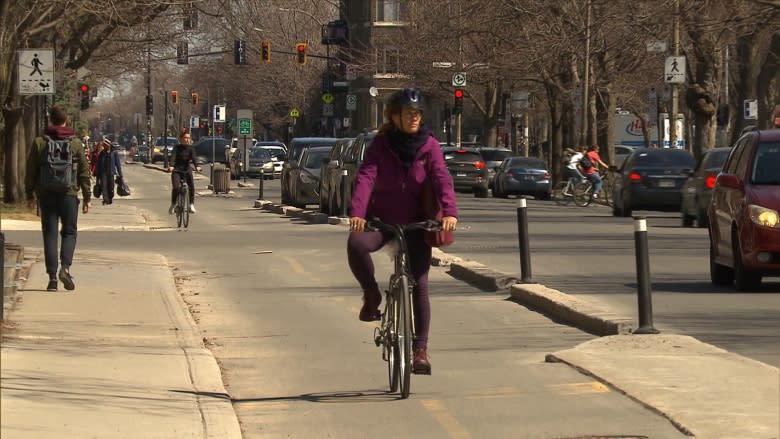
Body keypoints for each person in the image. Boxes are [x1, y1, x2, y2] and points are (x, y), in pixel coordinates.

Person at [347, 88, 458, 375]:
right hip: (383, 222)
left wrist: (449, 212)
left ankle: (420, 350)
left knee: (420, 283)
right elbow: (366, 177)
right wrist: (357, 213)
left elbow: (441, 177)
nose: (414, 118)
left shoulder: (429, 145)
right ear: (394, 116)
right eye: (409, 113)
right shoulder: (380, 145)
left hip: (417, 225)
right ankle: (372, 296)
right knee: (356, 244)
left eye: (418, 113)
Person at [25, 104, 92, 291]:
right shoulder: (75, 143)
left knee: (50, 234)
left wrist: (29, 194)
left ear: (50, 120)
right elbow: (84, 173)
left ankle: (52, 278)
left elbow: (31, 171)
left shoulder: (40, 142)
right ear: (66, 120)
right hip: (69, 195)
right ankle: (66, 267)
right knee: (70, 232)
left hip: (46, 195)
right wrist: (87, 197)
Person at [167, 128, 201, 214]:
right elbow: (173, 157)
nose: (187, 140)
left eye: (188, 138)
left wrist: (197, 166)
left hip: (186, 170)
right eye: (185, 138)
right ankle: (173, 204)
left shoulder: (191, 148)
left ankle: (191, 204)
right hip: (177, 170)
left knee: (191, 187)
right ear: (181, 139)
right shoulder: (177, 148)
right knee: (176, 187)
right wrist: (171, 166)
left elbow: (194, 158)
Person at [95, 138, 123, 205]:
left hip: (111, 172)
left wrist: (120, 174)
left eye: (106, 145)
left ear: (109, 145)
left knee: (111, 187)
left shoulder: (114, 153)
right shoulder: (102, 153)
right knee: (104, 186)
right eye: (104, 145)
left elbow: (118, 164)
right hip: (103, 172)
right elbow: (98, 164)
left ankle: (110, 198)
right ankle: (105, 200)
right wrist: (97, 174)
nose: (104, 146)